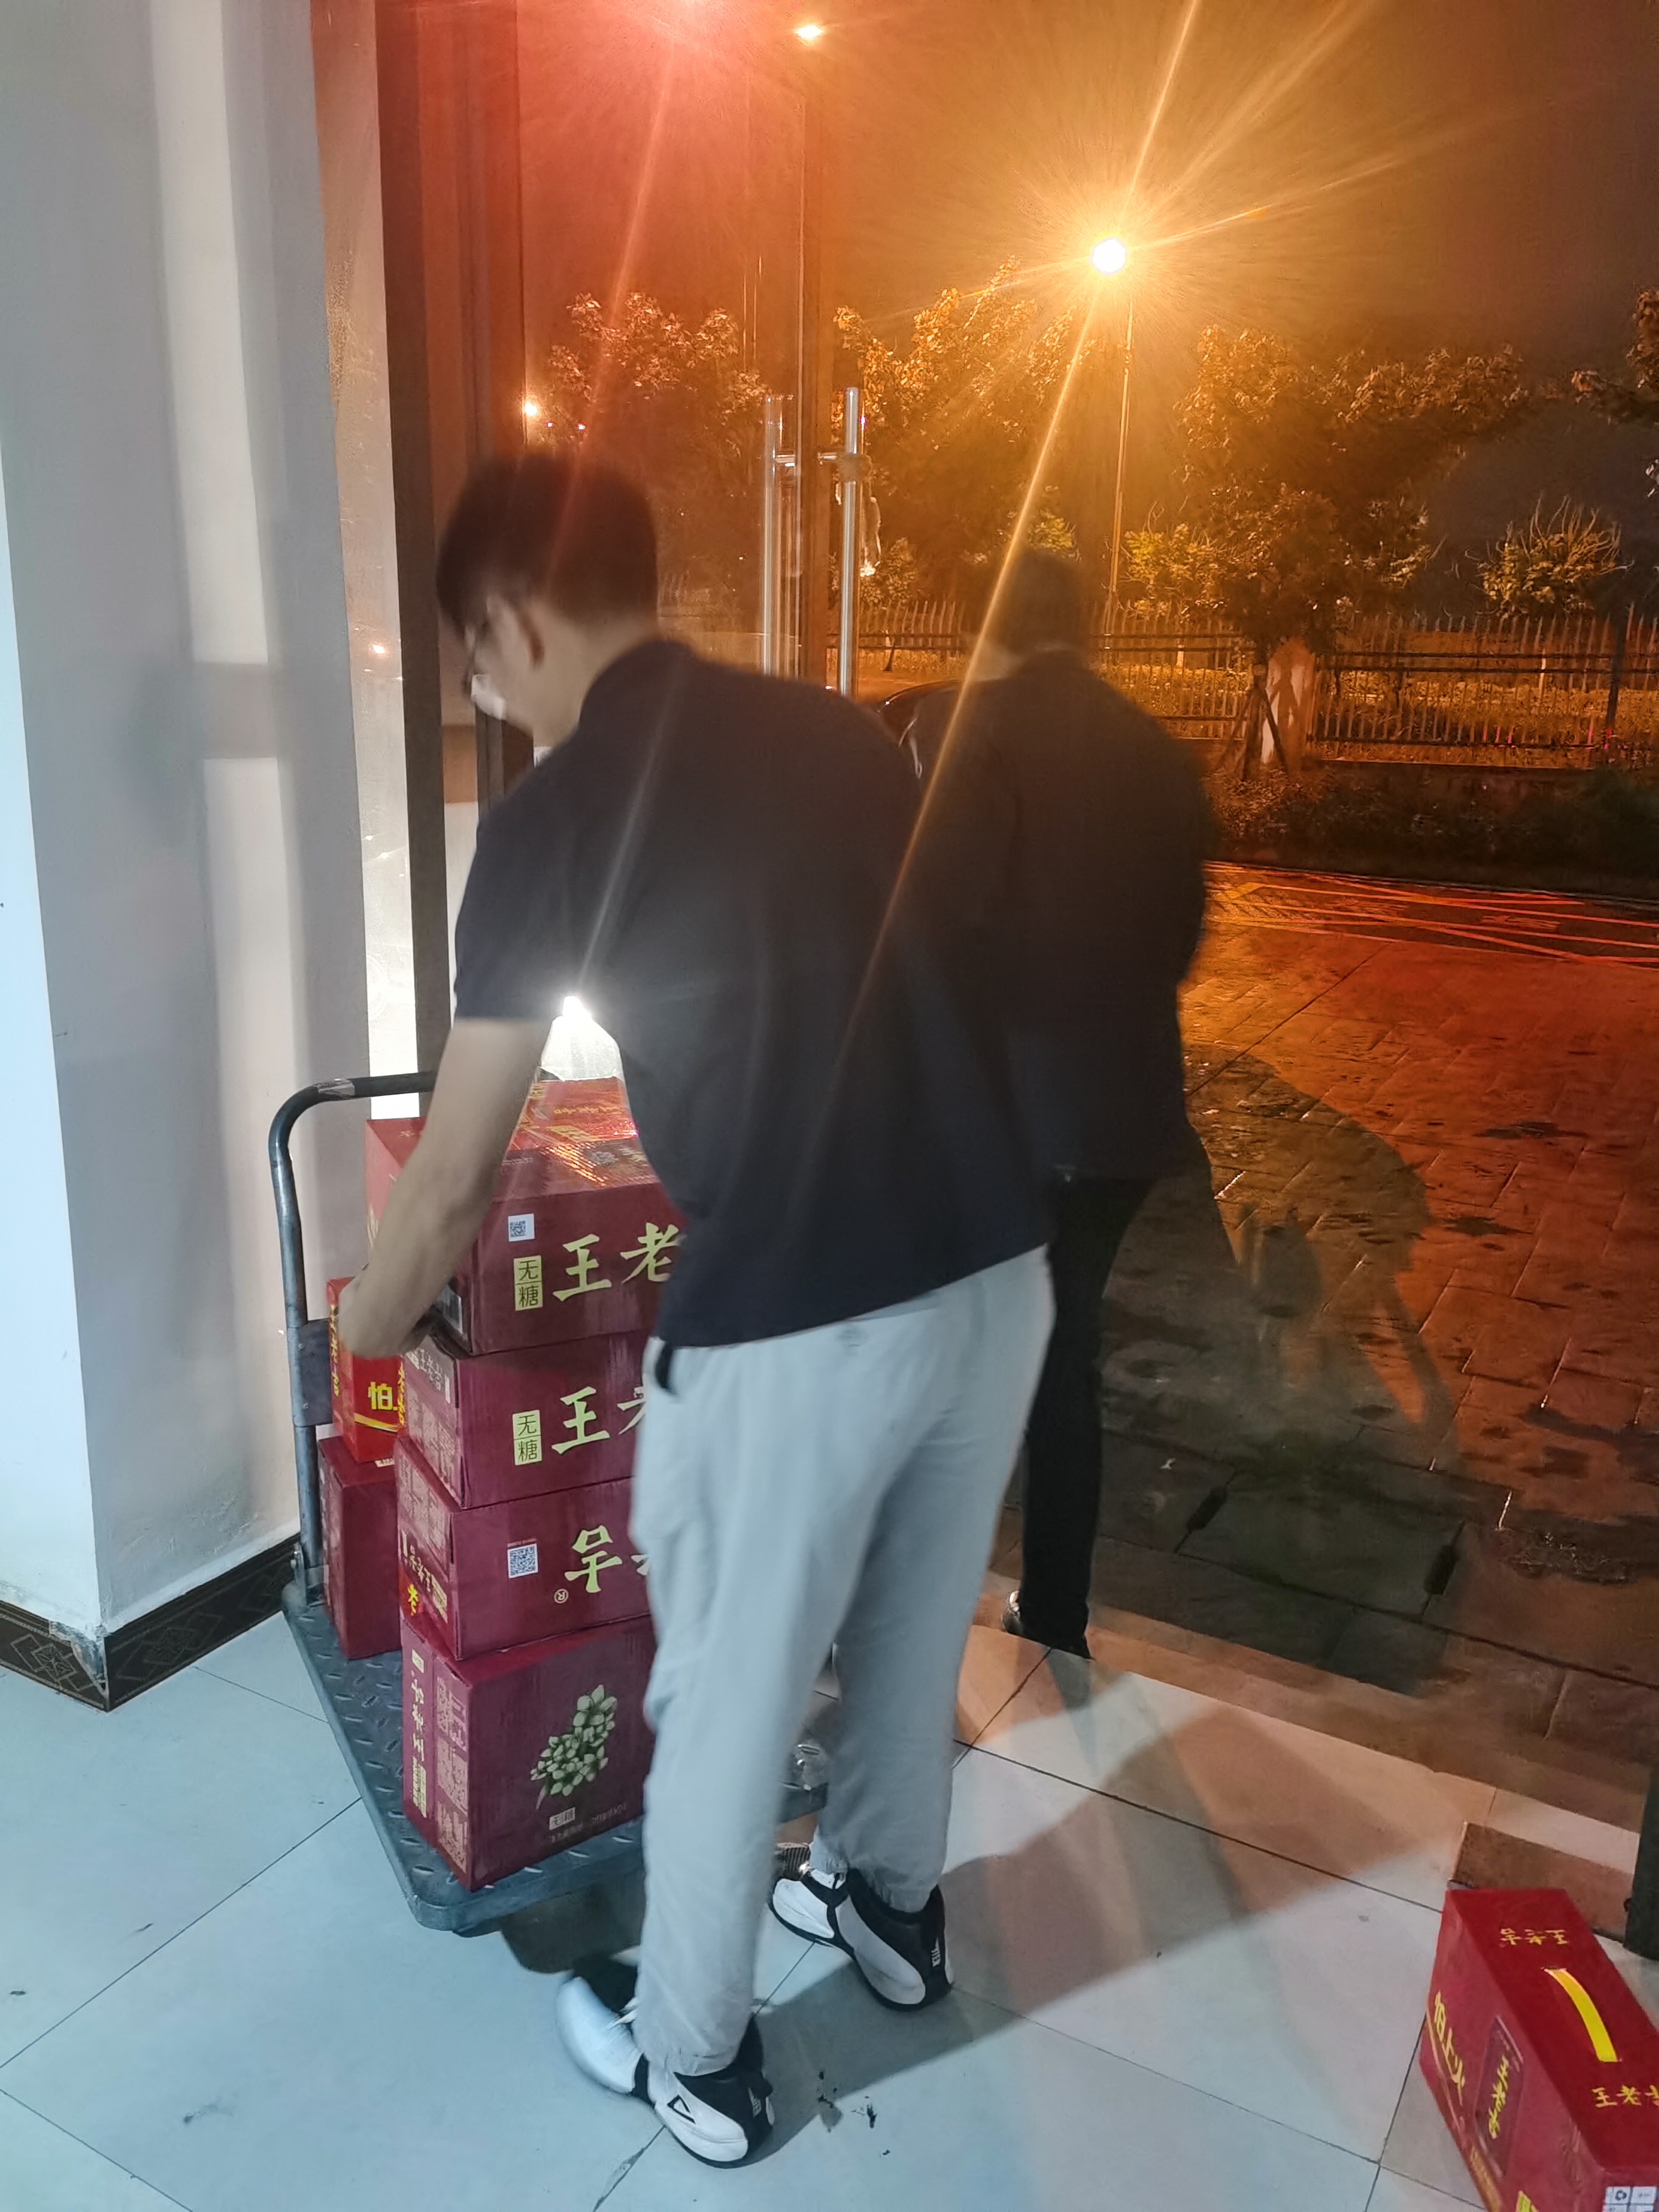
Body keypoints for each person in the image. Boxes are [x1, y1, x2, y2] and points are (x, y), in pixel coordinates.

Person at [336, 452, 1051, 2169]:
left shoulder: (550, 821)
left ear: (513, 619)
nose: (485, 695)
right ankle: (888, 1906)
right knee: (908, 1638)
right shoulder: (838, 737)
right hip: (993, 1271)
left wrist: (358, 1335)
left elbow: (452, 1172)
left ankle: (699, 2060)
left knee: (728, 1701)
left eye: (474, 659)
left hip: (799, 1316)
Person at [919, 550, 1209, 1660]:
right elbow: (1182, 941)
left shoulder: (972, 728)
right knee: (1062, 1353)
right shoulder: (1157, 751)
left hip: (1006, 1119)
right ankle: (1053, 1613)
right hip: (1125, 1120)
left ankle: (921, 1602)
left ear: (988, 626)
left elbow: (935, 922)